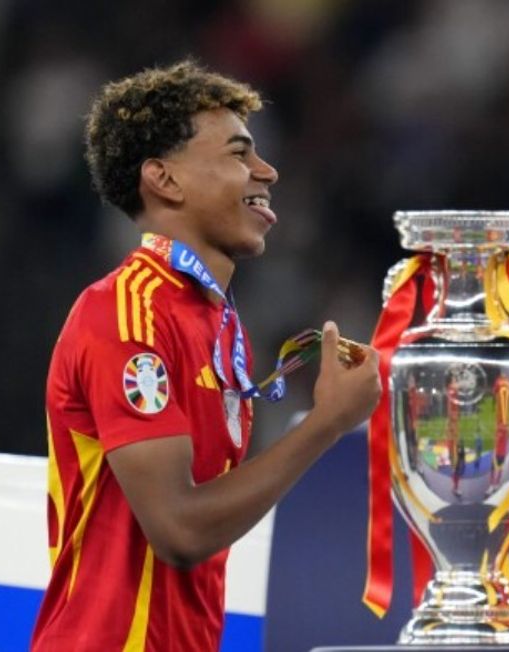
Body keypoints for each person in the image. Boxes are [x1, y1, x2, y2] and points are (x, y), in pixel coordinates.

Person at [30, 61, 381, 651]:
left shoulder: (214, 321)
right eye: (239, 154)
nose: (267, 170)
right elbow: (179, 530)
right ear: (165, 180)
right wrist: (326, 423)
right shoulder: (125, 313)